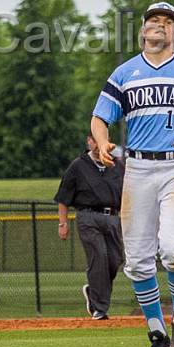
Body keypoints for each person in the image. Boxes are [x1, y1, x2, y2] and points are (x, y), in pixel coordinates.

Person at [90, 1, 174, 347]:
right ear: (143, 30)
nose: (159, 25)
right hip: (139, 169)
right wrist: (102, 142)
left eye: (167, 21)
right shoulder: (125, 73)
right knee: (139, 261)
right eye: (153, 20)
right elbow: (100, 117)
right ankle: (157, 334)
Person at [54, 137, 126, 321]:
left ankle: (93, 292)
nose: (97, 144)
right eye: (94, 140)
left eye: (101, 140)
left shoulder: (117, 166)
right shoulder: (79, 166)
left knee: (115, 260)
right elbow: (63, 197)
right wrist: (63, 224)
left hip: (112, 217)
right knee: (99, 256)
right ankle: (100, 309)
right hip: (88, 216)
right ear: (89, 142)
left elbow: (127, 194)